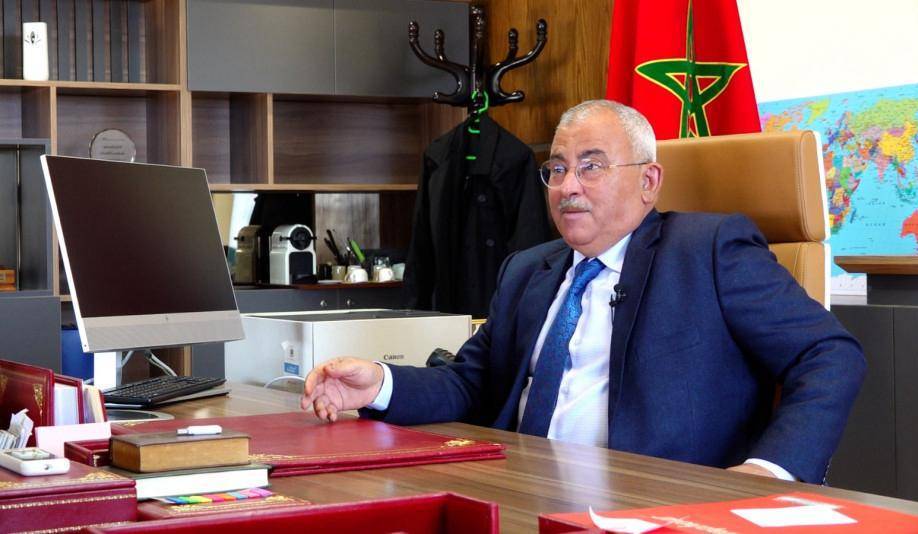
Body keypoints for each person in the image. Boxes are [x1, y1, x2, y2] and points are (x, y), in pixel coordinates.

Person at [300, 100, 866, 484]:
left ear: (648, 181)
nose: (567, 186)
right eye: (557, 169)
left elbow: (829, 354)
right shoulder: (527, 269)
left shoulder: (709, 251)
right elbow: (472, 383)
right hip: (520, 488)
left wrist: (769, 472)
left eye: (591, 167)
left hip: (652, 500)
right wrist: (380, 383)